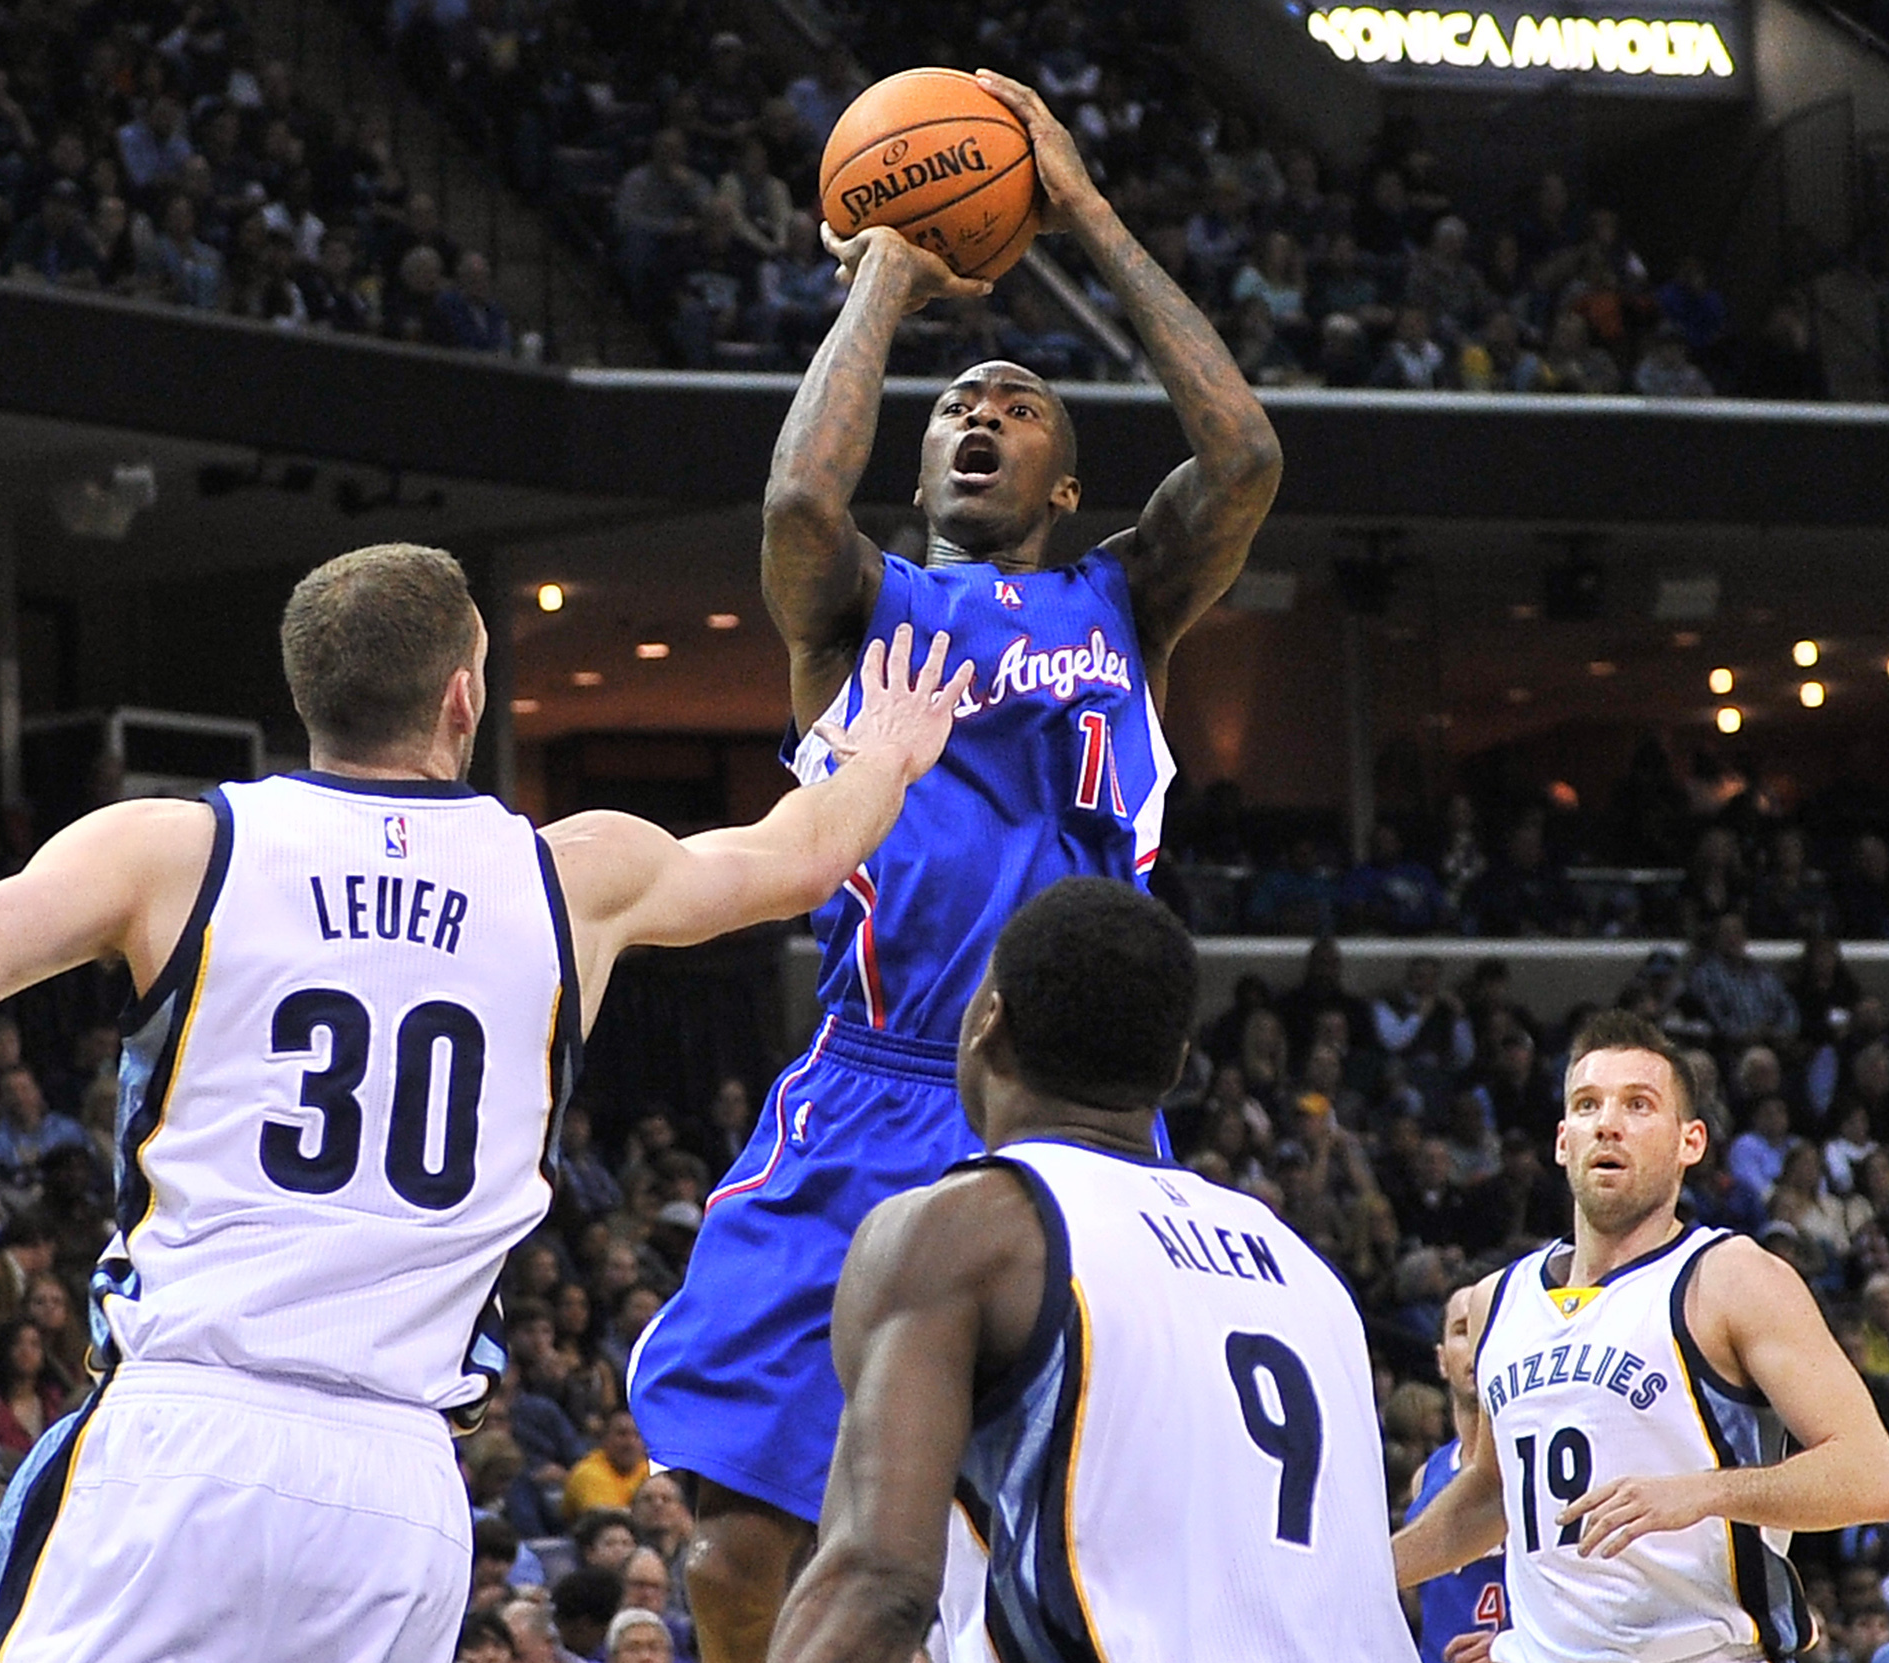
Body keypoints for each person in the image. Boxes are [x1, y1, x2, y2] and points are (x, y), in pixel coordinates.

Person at [0, 542, 972, 1663]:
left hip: (186, 1438)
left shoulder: (173, 846)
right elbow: (796, 854)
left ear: (309, 694)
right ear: (465, 691)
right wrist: (889, 742)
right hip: (407, 1482)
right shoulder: (575, 870)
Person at [628, 69, 1282, 1663]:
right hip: (869, 1082)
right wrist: (886, 284)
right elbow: (794, 491)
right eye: (950, 410)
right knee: (732, 1534)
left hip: (1074, 1106)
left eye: (1014, 405)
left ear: (1068, 485)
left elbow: (1246, 450)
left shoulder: (1125, 599)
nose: (976, 415)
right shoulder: (856, 608)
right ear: (917, 471)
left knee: (1057, 1544)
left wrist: (1079, 211)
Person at [765, 879, 1411, 1660]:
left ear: (989, 1021)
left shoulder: (967, 1230)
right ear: (1175, 1066)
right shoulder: (1310, 1275)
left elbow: (877, 1579)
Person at [1391, 1009, 1889, 1663]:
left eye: (1639, 1104)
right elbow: (1494, 1490)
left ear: (1690, 1141)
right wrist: (1370, 1572)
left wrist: (1701, 1490)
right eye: (1587, 1104)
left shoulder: (1731, 1277)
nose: (1607, 1122)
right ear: (1561, 1140)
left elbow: (1872, 1476)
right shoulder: (1499, 1298)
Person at [1403, 1283, 1509, 1663]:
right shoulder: (1425, 1477)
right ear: (1442, 1360)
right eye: (1464, 1330)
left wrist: (1519, 1646)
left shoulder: (1543, 1465)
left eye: (1490, 1326)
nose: (1479, 1344)